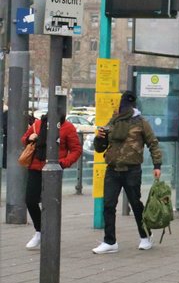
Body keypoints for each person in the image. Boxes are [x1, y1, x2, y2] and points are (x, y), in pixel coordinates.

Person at [93, 90, 163, 254]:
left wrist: (157, 165)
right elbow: (100, 148)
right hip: (112, 169)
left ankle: (145, 237)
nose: (124, 108)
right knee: (108, 205)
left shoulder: (141, 122)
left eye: (127, 105)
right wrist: (100, 137)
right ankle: (110, 241)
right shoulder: (113, 121)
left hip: (132, 170)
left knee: (136, 204)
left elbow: (153, 143)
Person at [20, 102, 83, 249]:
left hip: (54, 170)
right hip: (35, 167)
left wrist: (62, 163)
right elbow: (24, 139)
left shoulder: (67, 127)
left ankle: (49, 234)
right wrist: (31, 138)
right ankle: (40, 231)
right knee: (30, 200)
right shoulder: (38, 123)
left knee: (50, 203)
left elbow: (76, 150)